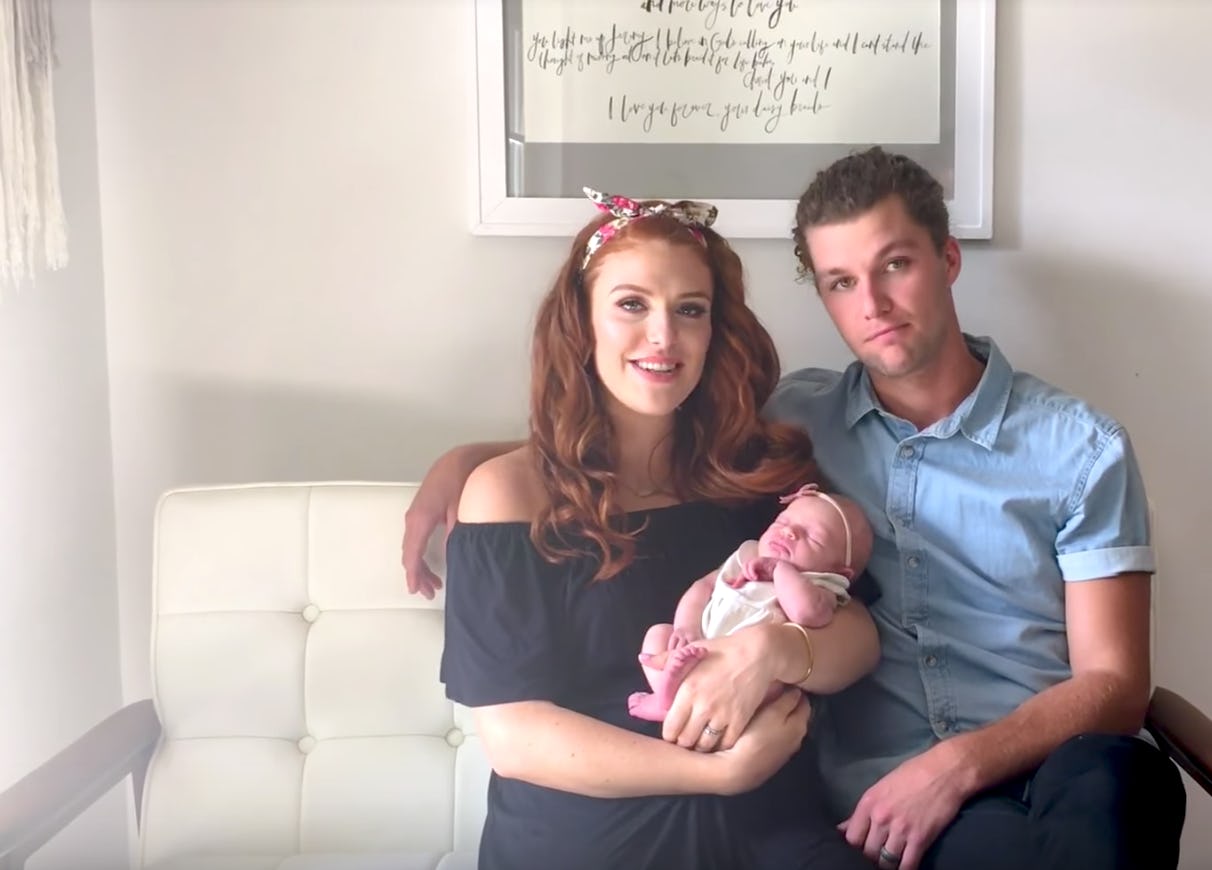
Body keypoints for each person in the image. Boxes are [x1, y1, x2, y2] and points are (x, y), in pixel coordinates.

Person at [406, 149, 1187, 870]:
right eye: (841, 281)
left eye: (896, 265)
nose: (873, 304)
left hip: (1024, 772)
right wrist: (465, 465)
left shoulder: (1071, 449)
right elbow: (628, 432)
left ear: (948, 260)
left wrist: (794, 664)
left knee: (1122, 778)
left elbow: (1111, 684)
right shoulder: (789, 432)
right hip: (852, 808)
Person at [437, 185, 879, 870]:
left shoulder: (757, 471)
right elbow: (515, 737)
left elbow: (858, 637)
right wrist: (718, 773)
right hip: (592, 838)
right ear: (581, 323)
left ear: (715, 332)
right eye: (631, 304)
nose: (664, 336)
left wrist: (771, 651)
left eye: (690, 310)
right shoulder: (507, 494)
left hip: (770, 829)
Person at [629, 483, 874, 723]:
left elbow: (806, 613)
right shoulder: (747, 556)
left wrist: (780, 570)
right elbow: (702, 587)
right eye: (782, 522)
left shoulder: (820, 586)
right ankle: (667, 699)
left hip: (747, 673)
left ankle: (678, 703)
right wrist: (686, 627)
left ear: (839, 572)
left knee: (777, 690)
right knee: (657, 635)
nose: (789, 532)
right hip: (698, 641)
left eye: (814, 538)